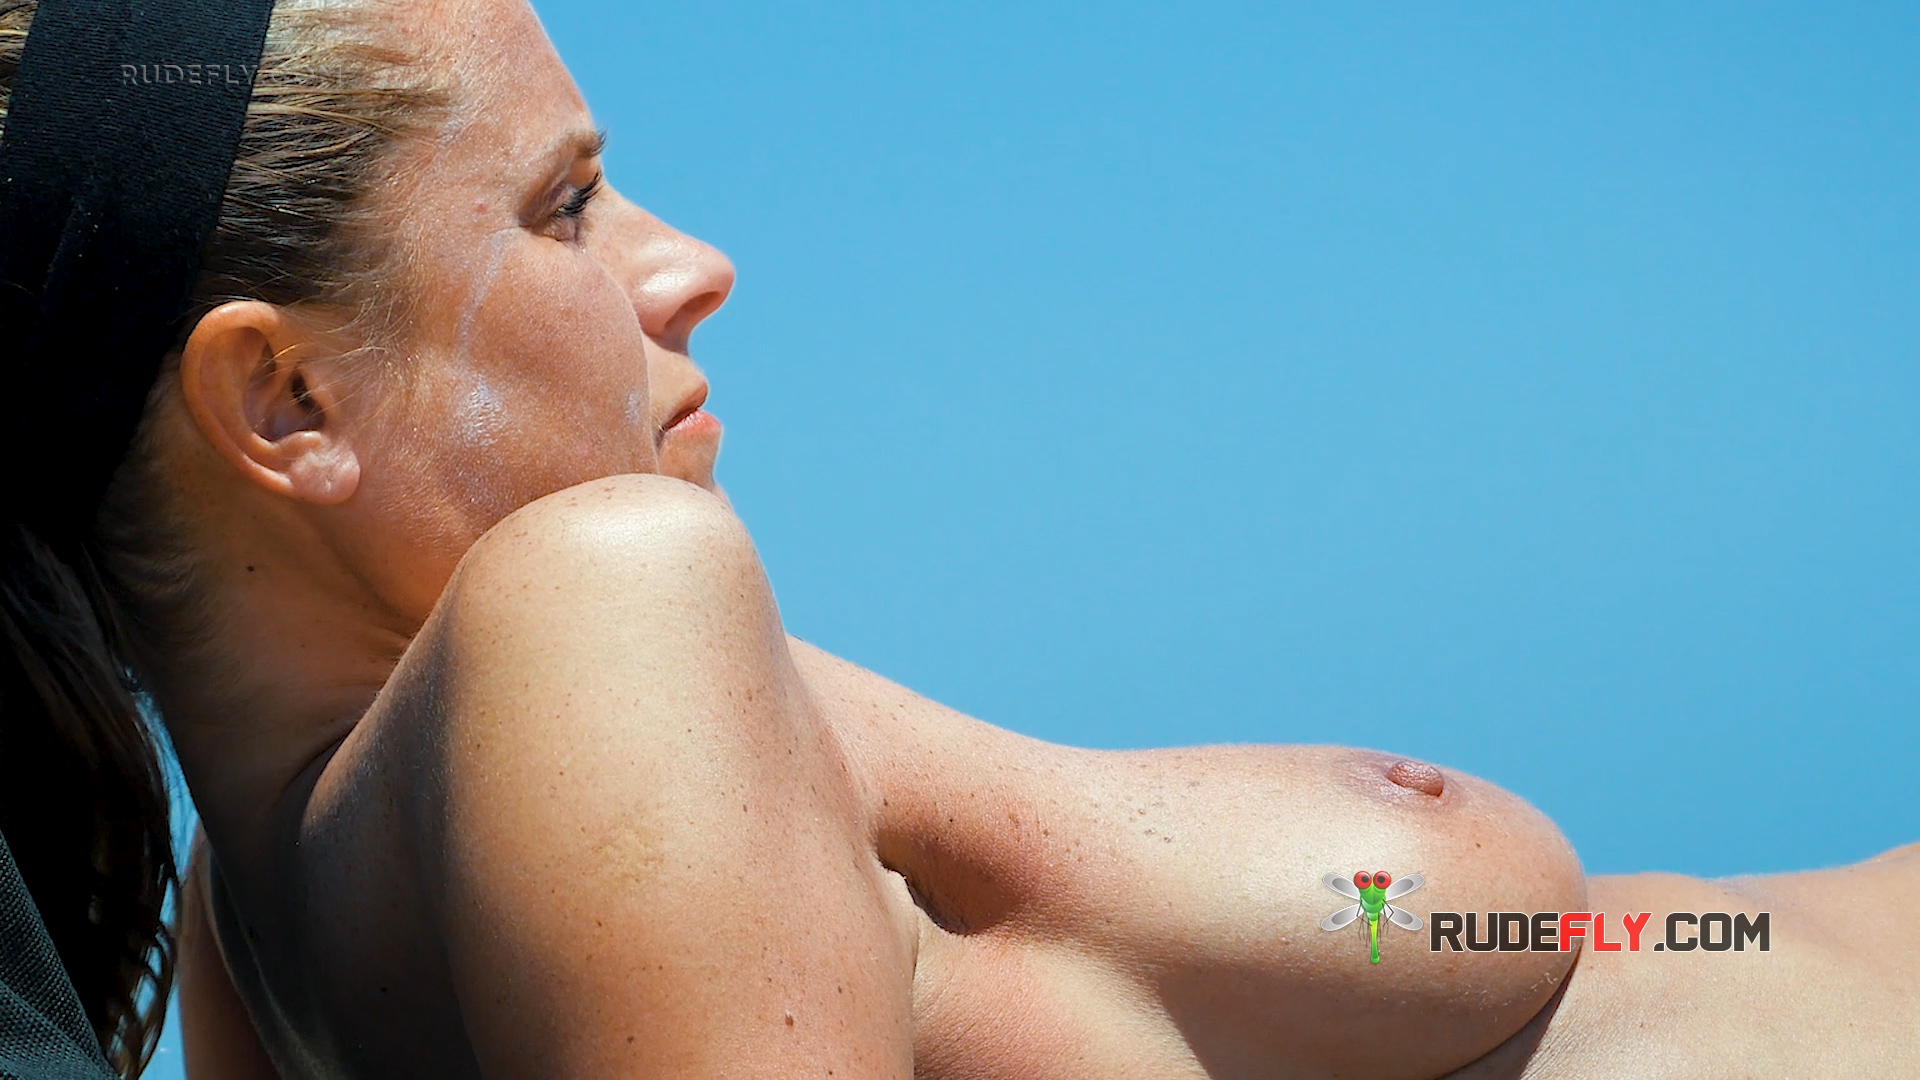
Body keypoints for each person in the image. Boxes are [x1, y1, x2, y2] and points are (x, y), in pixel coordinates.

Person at [0, 1, 1908, 1078]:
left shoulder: (251, 962)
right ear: (284, 406)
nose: (691, 263)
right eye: (567, 205)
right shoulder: (600, 611)